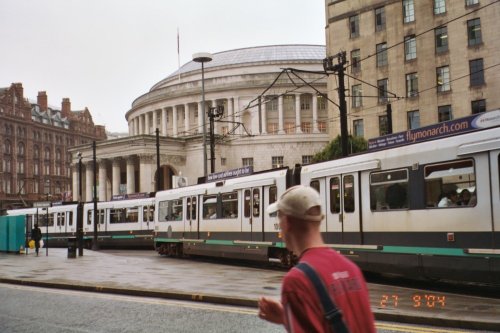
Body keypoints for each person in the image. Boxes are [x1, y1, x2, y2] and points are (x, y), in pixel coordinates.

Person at [258, 185, 376, 333]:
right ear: (319, 220)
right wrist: (288, 317)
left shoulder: (296, 282)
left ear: (287, 223)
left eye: (278, 218)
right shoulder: (352, 269)